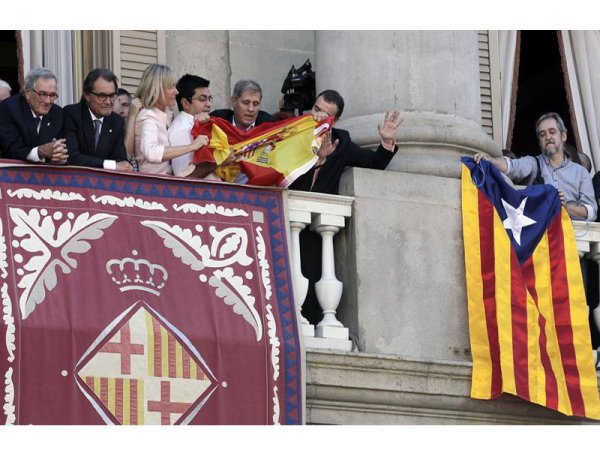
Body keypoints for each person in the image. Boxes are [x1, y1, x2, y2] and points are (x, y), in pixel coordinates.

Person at [474, 112, 596, 222]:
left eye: (552, 132)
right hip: (541, 239)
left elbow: (591, 212)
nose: (548, 137)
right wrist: (491, 160)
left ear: (563, 136)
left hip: (572, 239)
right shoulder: (534, 163)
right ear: (540, 142)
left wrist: (566, 207)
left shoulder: (580, 172)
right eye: (543, 134)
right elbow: (512, 166)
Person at [289, 89, 403, 195]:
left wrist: (387, 140)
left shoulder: (341, 143)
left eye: (326, 116)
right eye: (316, 109)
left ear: (335, 121)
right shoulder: (293, 133)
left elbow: (376, 162)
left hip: (324, 211)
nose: (318, 116)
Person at [133, 64, 208, 175]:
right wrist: (192, 146)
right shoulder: (148, 117)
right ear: (156, 90)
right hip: (151, 185)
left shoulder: (166, 115)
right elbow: (151, 152)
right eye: (170, 87)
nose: (176, 92)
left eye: (175, 86)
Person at [63, 69, 131, 171]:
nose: (108, 102)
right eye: (102, 96)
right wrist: (108, 164)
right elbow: (72, 157)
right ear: (87, 95)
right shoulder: (71, 114)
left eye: (112, 96)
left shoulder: (116, 122)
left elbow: (120, 160)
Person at [0, 67, 67, 164]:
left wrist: (59, 157)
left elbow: (65, 151)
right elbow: (12, 150)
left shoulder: (58, 113)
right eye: (42, 94)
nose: (48, 101)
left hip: (49, 176)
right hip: (15, 175)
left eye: (52, 95)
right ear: (28, 93)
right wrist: (40, 151)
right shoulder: (8, 108)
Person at [169, 74, 222, 179]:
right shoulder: (182, 129)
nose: (208, 104)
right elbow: (183, 177)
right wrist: (220, 160)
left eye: (209, 99)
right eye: (202, 99)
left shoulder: (197, 122)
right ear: (185, 103)